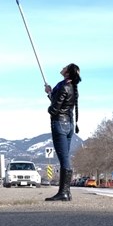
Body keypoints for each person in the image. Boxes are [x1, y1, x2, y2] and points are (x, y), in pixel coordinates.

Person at [44, 63, 81, 202]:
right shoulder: (71, 86)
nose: (62, 67)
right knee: (65, 157)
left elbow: (55, 109)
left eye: (65, 67)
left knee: (64, 158)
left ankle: (63, 192)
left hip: (59, 124)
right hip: (69, 125)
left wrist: (50, 108)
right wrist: (50, 93)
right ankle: (66, 192)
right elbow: (61, 103)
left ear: (67, 72)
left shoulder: (64, 86)